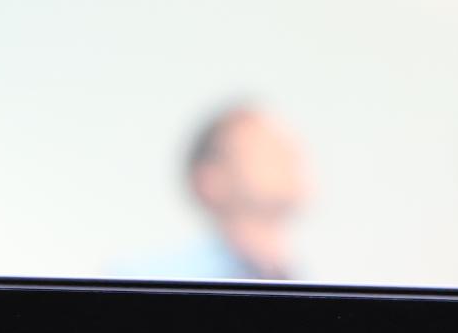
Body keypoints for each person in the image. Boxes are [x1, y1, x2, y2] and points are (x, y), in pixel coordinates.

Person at [114, 104, 312, 281]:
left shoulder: (304, 280)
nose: (291, 157)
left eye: (290, 147)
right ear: (210, 179)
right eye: (266, 150)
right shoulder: (145, 282)